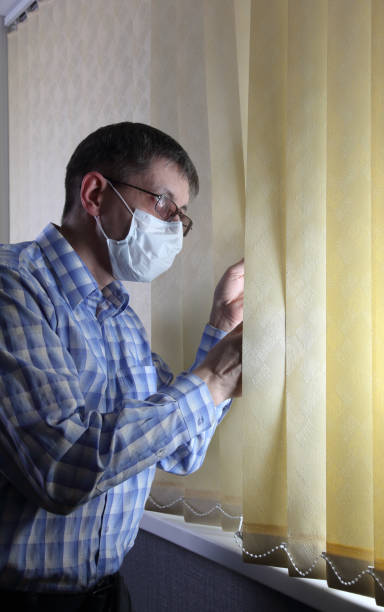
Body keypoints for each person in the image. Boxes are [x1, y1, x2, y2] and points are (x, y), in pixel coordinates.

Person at [0, 122, 243, 611]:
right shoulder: (13, 290)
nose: (174, 229)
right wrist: (213, 378)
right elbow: (59, 467)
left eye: (182, 218)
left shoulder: (120, 318)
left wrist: (220, 326)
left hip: (110, 595)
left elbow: (180, 451)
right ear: (95, 193)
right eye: (164, 205)